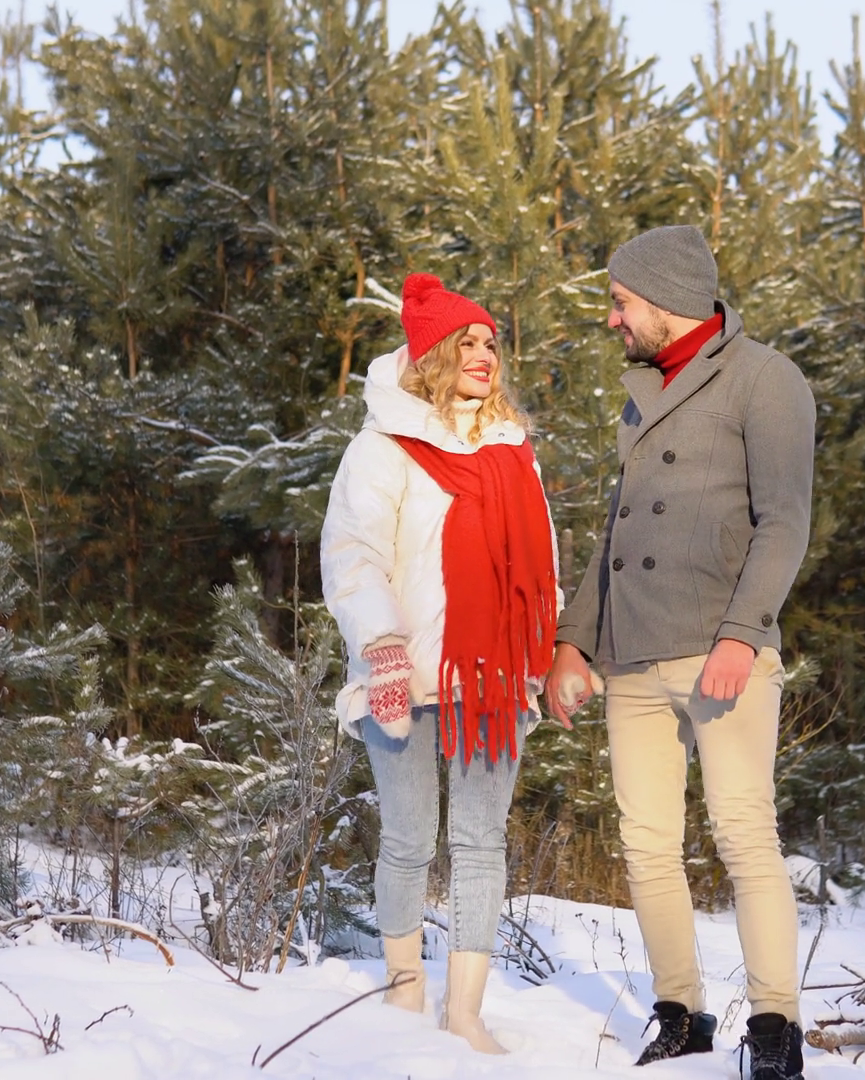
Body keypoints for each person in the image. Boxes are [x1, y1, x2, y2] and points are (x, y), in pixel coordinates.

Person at [545, 226, 815, 1079]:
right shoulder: (645, 389)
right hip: (631, 654)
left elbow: (784, 523)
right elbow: (618, 532)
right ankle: (680, 1013)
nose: (612, 318)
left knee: (744, 834)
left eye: (621, 302)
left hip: (719, 651)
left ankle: (775, 1027)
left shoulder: (766, 378)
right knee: (647, 843)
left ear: (665, 298)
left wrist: (743, 633)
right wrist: (574, 642)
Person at [321, 272, 561, 1055]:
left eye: (491, 342)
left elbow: (542, 565)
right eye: (467, 342)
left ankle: (465, 1013)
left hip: (492, 681)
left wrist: (542, 654)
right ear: (431, 355)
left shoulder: (512, 451)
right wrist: (382, 647)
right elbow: (353, 554)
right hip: (402, 674)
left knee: (482, 841)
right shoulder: (383, 448)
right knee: (408, 839)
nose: (485, 354)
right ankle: (403, 994)